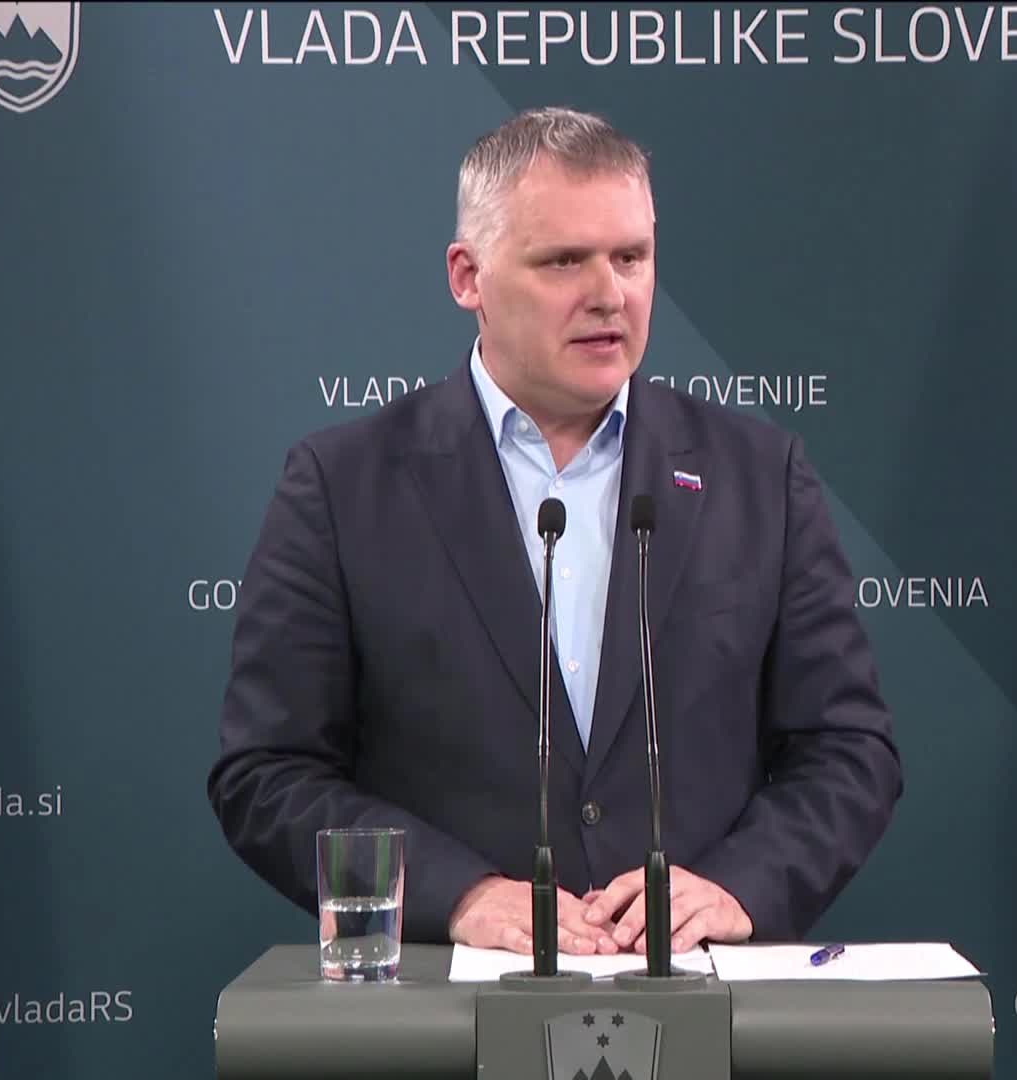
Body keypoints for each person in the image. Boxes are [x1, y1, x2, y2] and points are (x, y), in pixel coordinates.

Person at [208, 106, 902, 958]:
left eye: (631, 257)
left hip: (695, 989)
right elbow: (268, 774)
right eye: (565, 260)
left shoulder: (758, 478)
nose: (609, 293)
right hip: (447, 999)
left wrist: (736, 887)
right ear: (468, 276)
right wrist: (457, 896)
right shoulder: (344, 486)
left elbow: (849, 750)